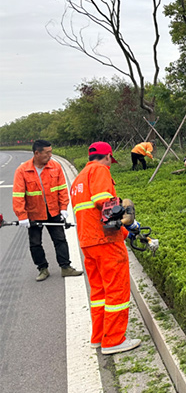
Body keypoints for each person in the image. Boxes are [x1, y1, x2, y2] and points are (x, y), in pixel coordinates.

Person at [71, 141, 141, 355]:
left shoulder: (79, 179)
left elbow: (95, 215)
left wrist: (127, 231)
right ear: (108, 156)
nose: (110, 164)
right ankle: (113, 340)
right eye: (110, 160)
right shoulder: (100, 170)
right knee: (117, 290)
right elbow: (104, 203)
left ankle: (99, 337)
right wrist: (127, 218)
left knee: (99, 292)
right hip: (106, 242)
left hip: (88, 242)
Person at [12, 139, 83, 282]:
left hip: (53, 211)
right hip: (34, 213)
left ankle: (65, 267)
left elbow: (62, 189)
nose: (50, 155)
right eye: (47, 153)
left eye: (51, 152)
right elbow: (18, 195)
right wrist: (22, 216)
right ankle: (42, 269)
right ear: (36, 153)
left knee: (60, 239)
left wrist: (64, 208)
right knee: (35, 243)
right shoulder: (23, 170)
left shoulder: (55, 167)